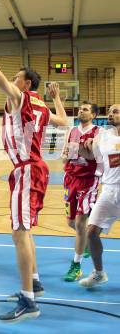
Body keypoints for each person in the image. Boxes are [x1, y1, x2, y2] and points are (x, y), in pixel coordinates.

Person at [0, 10, 68, 322]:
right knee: (25, 232)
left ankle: (29, 302)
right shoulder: (41, 104)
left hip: (27, 169)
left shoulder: (21, 98)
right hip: (33, 169)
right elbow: (64, 122)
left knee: (19, 232)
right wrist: (56, 98)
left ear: (26, 83)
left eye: (17, 77)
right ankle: (35, 282)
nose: (12, 80)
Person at [79, 104, 120, 288]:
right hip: (109, 190)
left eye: (116, 111)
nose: (111, 114)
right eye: (110, 111)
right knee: (91, 231)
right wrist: (80, 149)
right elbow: (92, 157)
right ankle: (99, 273)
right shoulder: (103, 135)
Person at [62, 102, 101, 281]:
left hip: (89, 181)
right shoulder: (72, 131)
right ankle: (84, 243)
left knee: (79, 223)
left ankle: (76, 266)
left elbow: (92, 156)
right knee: (70, 222)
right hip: (71, 179)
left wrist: (79, 149)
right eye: (80, 109)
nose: (81, 111)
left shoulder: (98, 133)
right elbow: (66, 158)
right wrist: (65, 155)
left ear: (93, 115)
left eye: (85, 109)